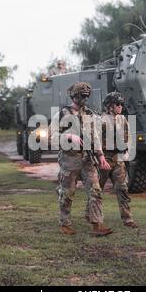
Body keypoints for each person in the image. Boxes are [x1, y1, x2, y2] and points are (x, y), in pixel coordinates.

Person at [49, 82, 113, 237]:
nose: (85, 99)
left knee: (95, 190)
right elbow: (51, 138)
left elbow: (95, 137)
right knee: (67, 193)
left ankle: (96, 224)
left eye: (87, 96)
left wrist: (101, 157)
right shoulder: (62, 115)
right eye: (82, 96)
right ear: (74, 96)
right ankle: (65, 224)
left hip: (87, 159)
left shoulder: (89, 114)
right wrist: (69, 136)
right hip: (69, 159)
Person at [98, 92, 138, 228]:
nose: (120, 107)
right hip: (104, 159)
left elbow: (129, 136)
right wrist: (99, 158)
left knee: (122, 188)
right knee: (97, 190)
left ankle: (127, 218)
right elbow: (95, 141)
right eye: (117, 104)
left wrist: (127, 150)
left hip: (118, 158)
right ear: (109, 106)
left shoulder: (123, 120)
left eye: (121, 104)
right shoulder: (101, 120)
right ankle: (93, 217)